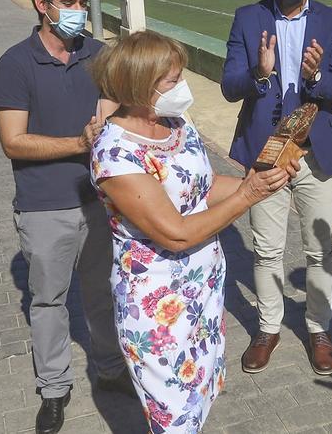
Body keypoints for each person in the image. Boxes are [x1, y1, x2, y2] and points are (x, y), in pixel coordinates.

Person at [89, 30, 295, 432]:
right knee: (175, 417)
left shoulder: (175, 122)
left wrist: (259, 182)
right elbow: (176, 233)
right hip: (157, 308)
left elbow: (199, 186)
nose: (181, 87)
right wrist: (248, 196)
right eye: (171, 80)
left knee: (199, 398)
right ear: (139, 85)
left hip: (201, 289)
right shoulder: (115, 154)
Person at [0, 0, 130, 434]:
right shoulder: (15, 63)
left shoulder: (99, 54)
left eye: (81, 3)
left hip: (100, 201)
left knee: (102, 294)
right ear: (42, 4)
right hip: (44, 205)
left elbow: (115, 115)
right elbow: (14, 140)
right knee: (49, 301)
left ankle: (112, 370)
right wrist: (78, 143)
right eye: (67, 4)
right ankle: (54, 388)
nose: (77, 12)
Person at [221, 0, 332, 375]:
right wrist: (259, 74)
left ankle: (319, 329)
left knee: (319, 249)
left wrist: (316, 78)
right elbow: (228, 86)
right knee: (266, 249)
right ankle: (268, 328)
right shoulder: (247, 18)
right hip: (266, 152)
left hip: (318, 154)